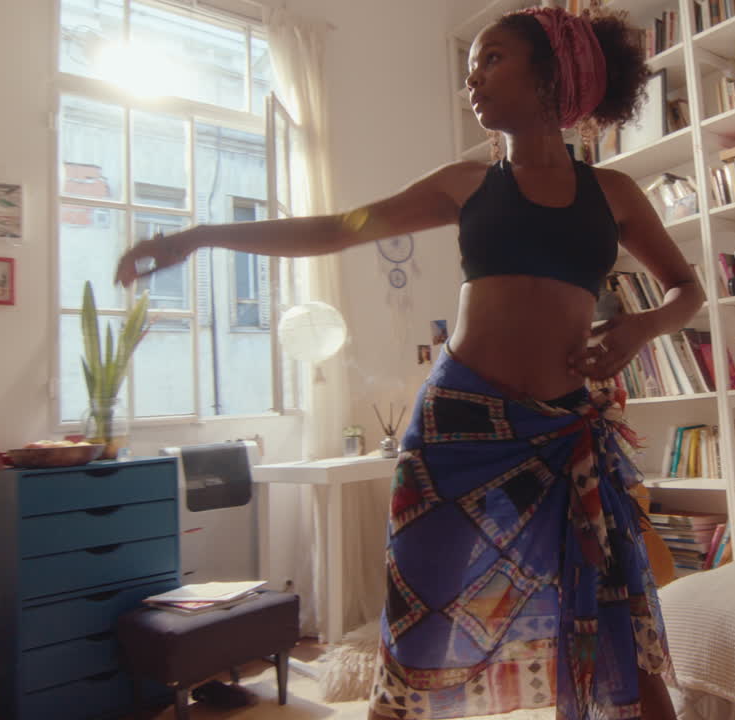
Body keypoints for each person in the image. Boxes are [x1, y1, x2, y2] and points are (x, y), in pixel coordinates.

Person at [115, 6, 702, 719]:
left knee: (613, 613)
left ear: (555, 71)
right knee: (423, 622)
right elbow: (339, 228)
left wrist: (641, 326)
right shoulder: (466, 185)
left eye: (492, 59)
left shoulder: (614, 194)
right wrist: (201, 234)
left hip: (565, 435)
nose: (472, 80)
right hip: (456, 431)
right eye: (470, 67)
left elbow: (686, 288)